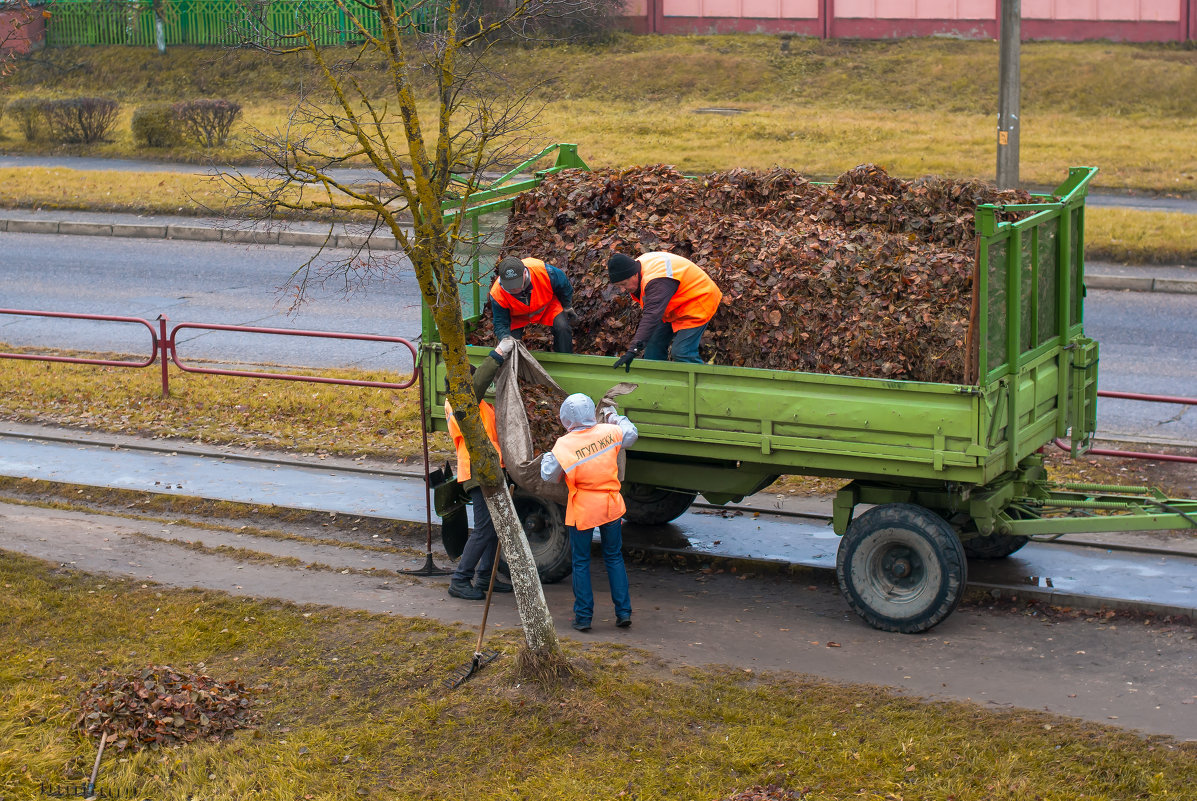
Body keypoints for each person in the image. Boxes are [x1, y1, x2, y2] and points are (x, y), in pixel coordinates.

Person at [540, 393, 639, 632]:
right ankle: (623, 612)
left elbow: (548, 475)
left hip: (583, 509)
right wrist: (614, 417)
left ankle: (583, 618)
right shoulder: (609, 432)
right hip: (611, 505)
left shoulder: (564, 444)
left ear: (566, 419)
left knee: (581, 562)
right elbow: (631, 434)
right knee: (614, 558)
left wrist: (546, 456)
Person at [444, 337, 515, 600]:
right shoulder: (462, 402)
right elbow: (479, 382)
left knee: (493, 526)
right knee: (485, 527)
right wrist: (497, 354)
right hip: (477, 470)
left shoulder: (475, 404)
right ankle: (460, 579)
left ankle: (485, 576)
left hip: (487, 467)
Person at [606, 251, 723, 371]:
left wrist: (633, 350)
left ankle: (703, 386)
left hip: (698, 299)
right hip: (673, 303)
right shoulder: (634, 266)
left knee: (682, 352)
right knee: (653, 348)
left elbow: (651, 316)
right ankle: (658, 386)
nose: (623, 289)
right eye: (619, 285)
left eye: (624, 284)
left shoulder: (656, 281)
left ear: (635, 275)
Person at [490, 256, 577, 354]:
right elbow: (500, 322)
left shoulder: (544, 271)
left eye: (517, 283)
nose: (514, 289)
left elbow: (564, 285)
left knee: (563, 327)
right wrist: (505, 337)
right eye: (510, 286)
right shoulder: (497, 293)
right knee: (509, 345)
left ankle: (564, 360)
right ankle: (515, 365)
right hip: (516, 316)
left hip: (547, 306)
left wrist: (567, 306)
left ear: (524, 272)